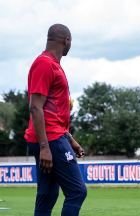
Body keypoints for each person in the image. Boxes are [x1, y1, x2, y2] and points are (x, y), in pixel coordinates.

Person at [24, 24, 87, 216]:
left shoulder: (53, 64)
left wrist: (69, 138)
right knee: (77, 192)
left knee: (48, 193)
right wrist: (44, 146)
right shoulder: (45, 64)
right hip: (49, 139)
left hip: (54, 136)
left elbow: (53, 112)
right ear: (66, 41)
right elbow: (35, 107)